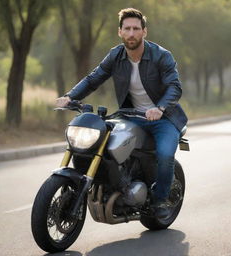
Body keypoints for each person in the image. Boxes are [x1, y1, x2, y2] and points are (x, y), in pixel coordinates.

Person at [56, 8, 188, 218]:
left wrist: (159, 107)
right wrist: (70, 97)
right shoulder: (116, 55)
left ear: (144, 32)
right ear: (120, 32)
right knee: (103, 144)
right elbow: (94, 78)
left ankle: (160, 199)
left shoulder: (161, 56)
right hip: (129, 115)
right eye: (127, 28)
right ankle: (116, 185)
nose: (132, 33)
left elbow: (174, 87)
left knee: (164, 155)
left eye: (136, 28)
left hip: (163, 118)